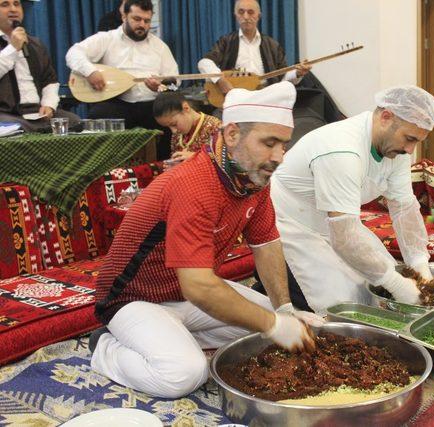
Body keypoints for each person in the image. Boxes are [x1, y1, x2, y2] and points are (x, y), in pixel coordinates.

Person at [90, 81, 324, 399]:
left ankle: (173, 336)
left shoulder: (253, 177)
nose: (279, 157)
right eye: (269, 143)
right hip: (134, 300)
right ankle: (104, 346)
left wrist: (283, 310)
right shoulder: (194, 183)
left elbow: (266, 244)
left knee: (279, 328)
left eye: (283, 144)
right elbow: (199, 286)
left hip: (186, 297)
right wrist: (274, 324)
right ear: (232, 135)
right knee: (185, 374)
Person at [269, 86, 434, 314]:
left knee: (383, 277)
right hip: (292, 222)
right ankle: (271, 288)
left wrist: (419, 263)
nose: (410, 150)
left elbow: (404, 208)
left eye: (417, 142)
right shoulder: (342, 150)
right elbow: (344, 239)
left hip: (338, 221)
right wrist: (396, 284)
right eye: (409, 139)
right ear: (386, 117)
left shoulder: (395, 148)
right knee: (346, 304)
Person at [66, 0, 178, 159]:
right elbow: (73, 53)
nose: (142, 25)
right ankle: (106, 172)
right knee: (98, 115)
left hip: (150, 105)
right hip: (117, 102)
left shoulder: (160, 47)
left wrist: (160, 87)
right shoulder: (107, 39)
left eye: (147, 21)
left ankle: (161, 168)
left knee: (171, 116)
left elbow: (174, 84)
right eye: (137, 19)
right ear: (124, 16)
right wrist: (90, 71)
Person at [198, 0, 311, 97]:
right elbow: (204, 62)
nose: (246, 17)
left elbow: (283, 78)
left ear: (258, 16)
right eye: (241, 12)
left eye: (251, 12)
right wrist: (220, 80)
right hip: (235, 96)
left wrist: (298, 73)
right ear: (236, 15)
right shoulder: (226, 41)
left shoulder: (272, 45)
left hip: (266, 96)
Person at [0, 0, 79, 132]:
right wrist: (13, 48)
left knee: (74, 122)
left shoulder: (35, 44)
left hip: (35, 111)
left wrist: (49, 105)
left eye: (16, 4)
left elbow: (50, 81)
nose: (13, 9)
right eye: (5, 5)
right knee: (18, 129)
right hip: (5, 112)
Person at [153, 92, 222, 162]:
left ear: (186, 108)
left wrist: (196, 157)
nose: (173, 131)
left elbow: (226, 162)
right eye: (168, 127)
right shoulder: (177, 135)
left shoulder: (215, 127)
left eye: (174, 124)